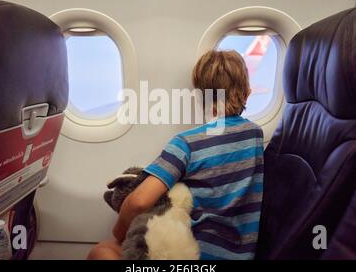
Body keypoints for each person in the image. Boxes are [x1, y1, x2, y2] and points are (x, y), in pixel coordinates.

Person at [88, 50, 264, 260]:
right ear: (247, 92)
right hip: (242, 256)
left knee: (103, 251)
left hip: (195, 257)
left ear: (200, 96)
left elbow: (139, 202)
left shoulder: (187, 143)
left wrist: (119, 233)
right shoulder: (255, 135)